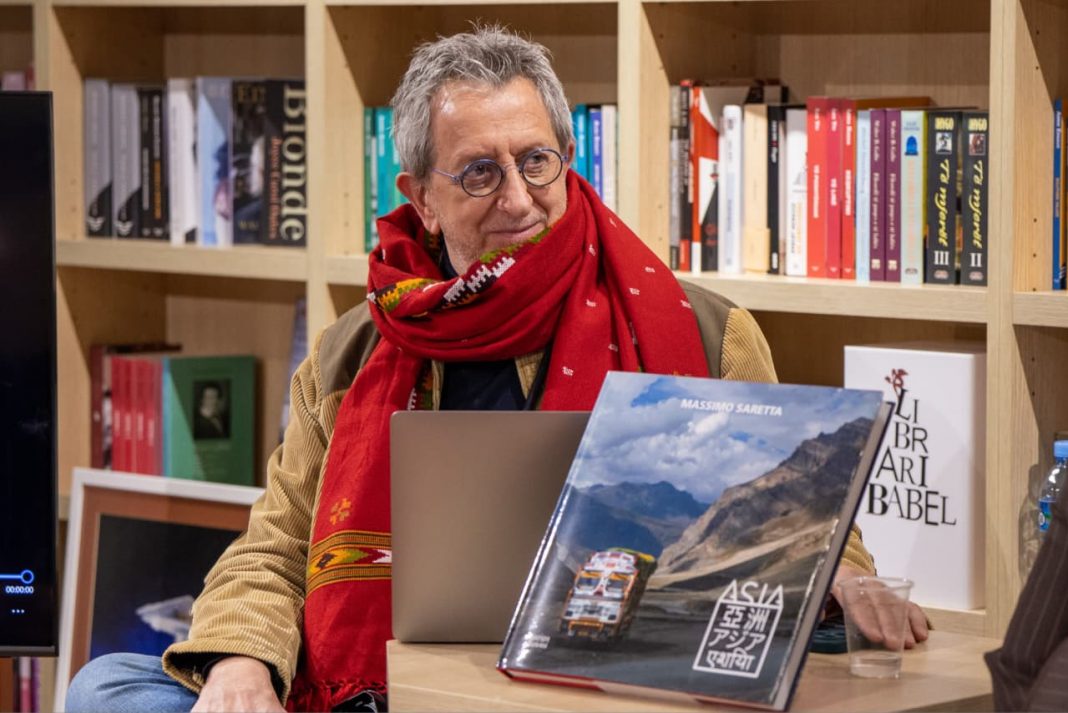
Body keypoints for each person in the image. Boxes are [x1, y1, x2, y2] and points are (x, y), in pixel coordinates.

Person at [65, 26, 926, 713]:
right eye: (479, 172)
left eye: (536, 160)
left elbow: (798, 509)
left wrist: (843, 569)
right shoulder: (350, 352)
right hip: (388, 687)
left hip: (602, 689)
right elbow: (276, 547)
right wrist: (240, 663)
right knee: (106, 686)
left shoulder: (707, 332)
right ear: (423, 198)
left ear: (565, 160)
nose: (517, 198)